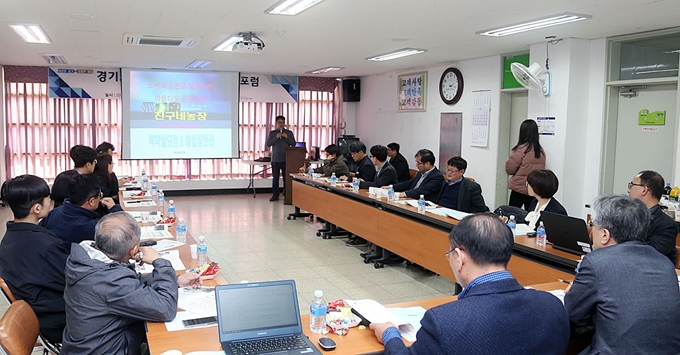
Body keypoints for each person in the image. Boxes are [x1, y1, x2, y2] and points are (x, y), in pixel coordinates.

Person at [370, 214, 570, 355]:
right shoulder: (552, 305)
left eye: (449, 255)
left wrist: (390, 335)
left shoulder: (443, 321)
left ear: (459, 257)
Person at [61, 212, 201, 355]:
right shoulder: (112, 279)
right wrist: (161, 263)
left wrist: (174, 280)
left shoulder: (86, 259)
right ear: (134, 249)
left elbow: (129, 283)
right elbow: (166, 308)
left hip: (88, 346)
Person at [564, 195, 680, 354]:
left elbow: (573, 314)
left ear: (605, 234)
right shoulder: (664, 263)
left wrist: (577, 290)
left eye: (593, 225)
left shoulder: (596, 262)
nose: (591, 231)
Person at [0, 175, 70, 343]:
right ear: (37, 208)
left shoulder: (8, 239)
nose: (50, 201)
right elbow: (74, 278)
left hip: (40, 315)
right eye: (48, 198)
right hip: (60, 320)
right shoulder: (45, 245)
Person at [40, 173, 123, 244]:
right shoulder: (91, 227)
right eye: (100, 195)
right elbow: (123, 232)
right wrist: (114, 208)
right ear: (91, 201)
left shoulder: (53, 213)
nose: (100, 198)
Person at [627, 170, 678, 262]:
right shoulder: (627, 216)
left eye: (632, 185)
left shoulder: (667, 225)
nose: (628, 190)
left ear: (644, 190)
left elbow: (649, 253)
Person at [505, 119, 545, 209]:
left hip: (518, 189)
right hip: (534, 189)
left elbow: (510, 169)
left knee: (512, 214)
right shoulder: (541, 151)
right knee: (530, 215)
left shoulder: (521, 149)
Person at [266, 115, 296, 202]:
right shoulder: (272, 133)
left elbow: (293, 144)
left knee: (286, 178)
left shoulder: (289, 133)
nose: (281, 124)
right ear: (276, 123)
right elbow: (268, 144)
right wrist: (276, 137)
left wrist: (286, 138)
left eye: (283, 122)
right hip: (275, 159)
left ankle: (287, 194)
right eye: (279, 122)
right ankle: (275, 195)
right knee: (275, 178)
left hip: (286, 159)